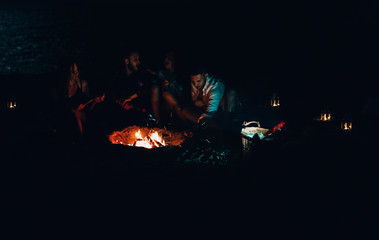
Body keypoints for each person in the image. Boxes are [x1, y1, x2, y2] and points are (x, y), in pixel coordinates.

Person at [52, 61, 104, 143]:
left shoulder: (82, 84)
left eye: (77, 70)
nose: (77, 73)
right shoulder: (58, 87)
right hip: (65, 117)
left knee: (74, 114)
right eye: (73, 72)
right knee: (70, 115)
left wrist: (95, 101)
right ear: (66, 73)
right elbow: (54, 108)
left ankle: (81, 142)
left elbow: (89, 109)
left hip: (81, 116)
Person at [151, 50, 185, 125]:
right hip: (165, 105)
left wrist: (173, 85)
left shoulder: (181, 74)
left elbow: (183, 95)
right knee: (160, 91)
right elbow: (157, 90)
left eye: (169, 58)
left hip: (180, 104)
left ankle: (186, 123)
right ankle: (158, 121)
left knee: (167, 95)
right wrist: (163, 87)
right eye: (165, 58)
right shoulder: (161, 73)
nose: (166, 60)